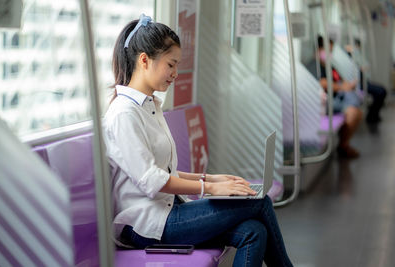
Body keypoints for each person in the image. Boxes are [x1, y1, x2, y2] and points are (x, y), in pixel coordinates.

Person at [102, 14, 293, 267]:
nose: (175, 73)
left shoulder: (149, 106)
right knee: (260, 202)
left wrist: (214, 179)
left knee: (253, 231)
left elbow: (163, 172)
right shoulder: (124, 113)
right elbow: (151, 181)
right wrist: (211, 189)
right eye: (171, 65)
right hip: (145, 224)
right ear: (144, 60)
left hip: (167, 213)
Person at [308, 36, 363, 158]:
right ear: (320, 50)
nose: (330, 54)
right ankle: (343, 146)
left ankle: (344, 144)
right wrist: (342, 87)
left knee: (357, 111)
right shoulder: (314, 65)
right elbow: (321, 82)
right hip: (325, 102)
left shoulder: (329, 65)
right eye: (328, 50)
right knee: (353, 112)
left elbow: (338, 79)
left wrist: (347, 85)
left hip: (337, 98)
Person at [351, 39, 387, 123]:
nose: (357, 48)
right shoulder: (351, 57)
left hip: (364, 81)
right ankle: (371, 116)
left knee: (382, 90)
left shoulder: (358, 56)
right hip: (360, 84)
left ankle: (373, 114)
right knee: (380, 92)